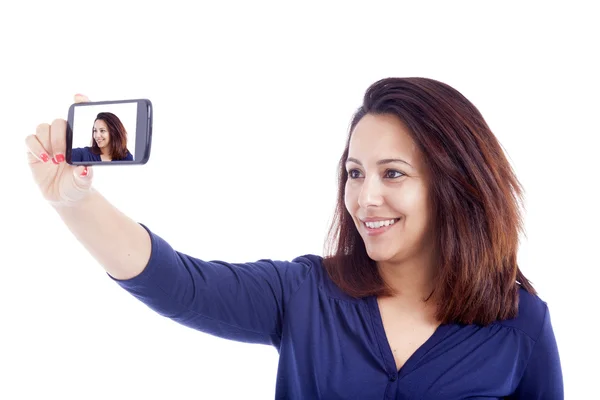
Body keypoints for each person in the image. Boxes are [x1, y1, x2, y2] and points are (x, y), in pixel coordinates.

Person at [25, 78, 564, 399]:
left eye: (393, 174)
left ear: (455, 186)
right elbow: (176, 282)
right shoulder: (305, 293)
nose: (365, 198)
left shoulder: (521, 325)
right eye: (355, 173)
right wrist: (74, 202)